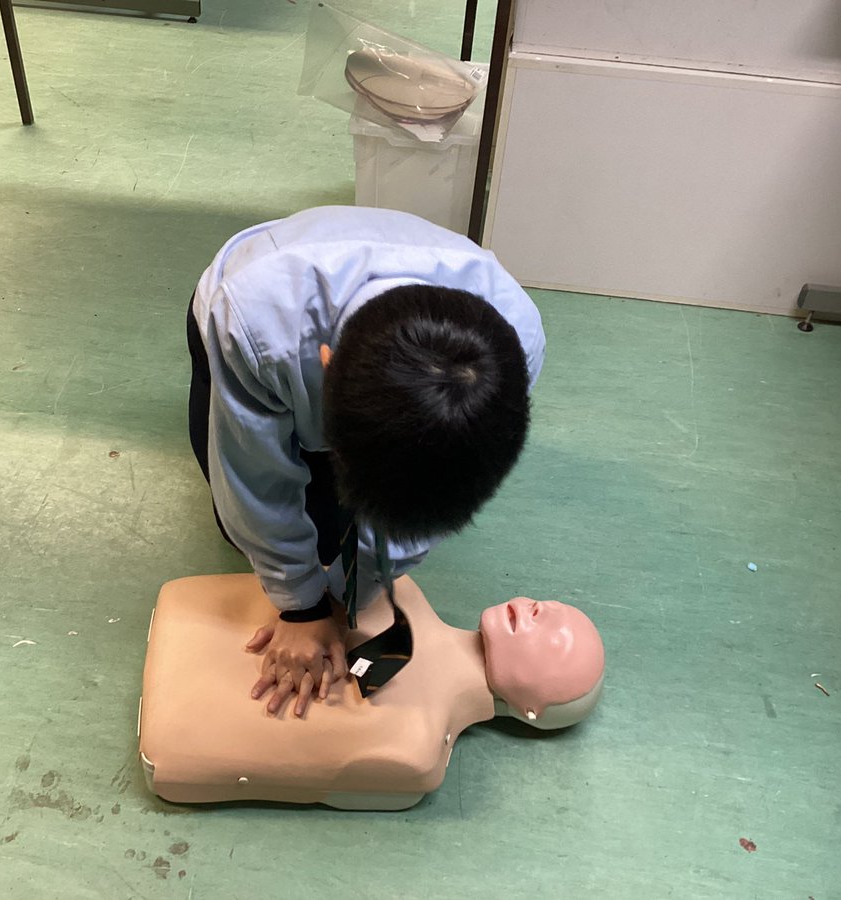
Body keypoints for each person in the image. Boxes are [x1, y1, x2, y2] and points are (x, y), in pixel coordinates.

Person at [187, 207, 546, 717]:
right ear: (327, 367)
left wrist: (346, 597)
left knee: (340, 542)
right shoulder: (255, 326)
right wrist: (301, 607)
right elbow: (255, 483)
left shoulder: (517, 344)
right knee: (256, 531)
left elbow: (435, 492)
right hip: (247, 303)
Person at [138, 573, 605, 809]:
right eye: (553, 608)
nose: (542, 611)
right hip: (201, 638)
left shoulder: (414, 750)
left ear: (532, 710)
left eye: (559, 645)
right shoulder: (399, 589)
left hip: (185, 718)